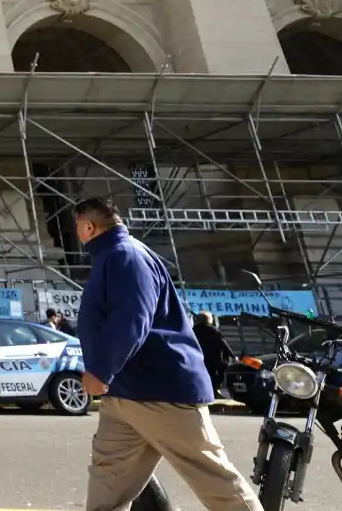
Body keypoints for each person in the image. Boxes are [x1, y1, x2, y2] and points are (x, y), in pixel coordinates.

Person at [74, 197, 261, 511]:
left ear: (88, 226)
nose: (78, 235)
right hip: (125, 395)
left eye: (78, 228)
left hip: (159, 392)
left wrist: (100, 370)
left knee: (214, 479)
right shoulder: (115, 256)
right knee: (108, 483)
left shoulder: (125, 256)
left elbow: (132, 318)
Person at [193, 311, 235, 397]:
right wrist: (232, 356)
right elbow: (223, 344)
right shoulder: (213, 330)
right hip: (213, 358)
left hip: (198, 358)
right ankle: (213, 391)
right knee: (217, 376)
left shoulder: (193, 330)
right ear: (208, 319)